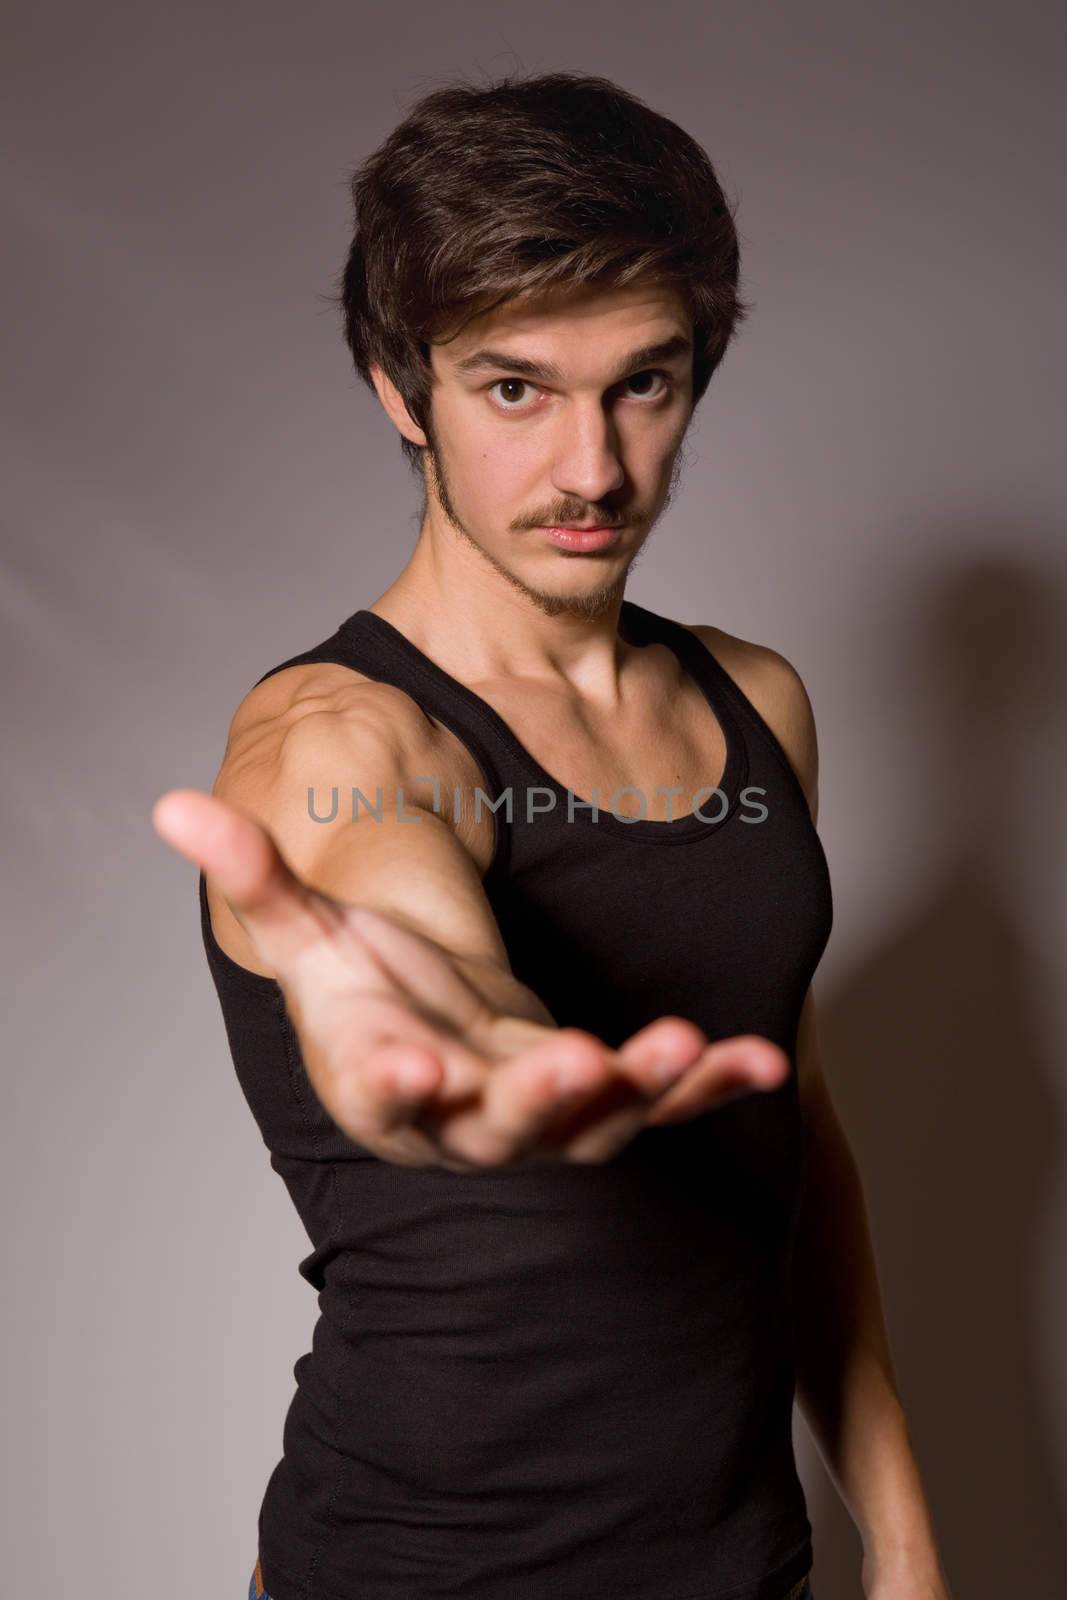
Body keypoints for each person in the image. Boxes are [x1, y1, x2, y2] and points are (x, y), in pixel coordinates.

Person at [153, 71, 952, 1600]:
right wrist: (456, 1052)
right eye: (515, 389)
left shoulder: (758, 704)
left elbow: (789, 1145)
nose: (592, 468)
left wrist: (900, 1533)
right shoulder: (335, 737)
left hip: (741, 1568)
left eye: (642, 385)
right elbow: (392, 918)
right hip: (411, 1573)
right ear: (403, 387)